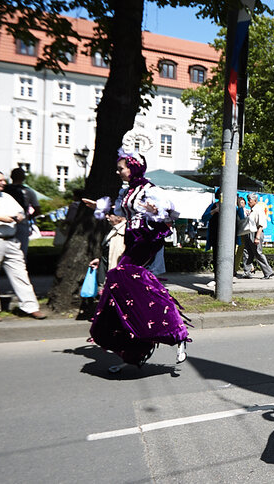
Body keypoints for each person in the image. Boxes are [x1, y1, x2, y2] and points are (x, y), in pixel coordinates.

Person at [83, 148, 189, 373]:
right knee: (128, 292)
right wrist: (99, 207)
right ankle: (133, 349)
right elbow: (119, 213)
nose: (118, 171)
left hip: (146, 240)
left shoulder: (150, 190)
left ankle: (176, 333)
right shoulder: (128, 192)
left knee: (119, 278)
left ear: (133, 167)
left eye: (121, 168)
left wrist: (155, 211)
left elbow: (170, 214)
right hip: (132, 241)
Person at [0, 170, 46, 322]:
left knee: (20, 273)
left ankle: (31, 307)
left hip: (11, 240)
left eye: (4, 180)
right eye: (0, 180)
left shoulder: (7, 197)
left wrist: (19, 217)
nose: (4, 183)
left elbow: (21, 213)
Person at [2, 167, 40, 258]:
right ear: (24, 178)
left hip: (4, 222)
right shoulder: (29, 191)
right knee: (21, 252)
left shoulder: (3, 190)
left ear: (11, 177)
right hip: (22, 223)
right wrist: (29, 217)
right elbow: (37, 210)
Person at [88, 213, 127, 293]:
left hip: (116, 280)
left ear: (119, 216)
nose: (106, 216)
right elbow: (109, 252)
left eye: (110, 214)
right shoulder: (113, 230)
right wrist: (99, 259)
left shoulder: (126, 231)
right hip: (105, 275)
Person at [242, 193, 274, 279]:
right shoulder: (252, 209)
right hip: (249, 232)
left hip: (256, 232)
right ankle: (247, 271)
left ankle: (268, 272)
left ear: (255, 201)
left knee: (258, 253)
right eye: (248, 200)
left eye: (250, 200)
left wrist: (257, 237)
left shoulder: (258, 209)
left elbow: (261, 225)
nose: (248, 202)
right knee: (247, 252)